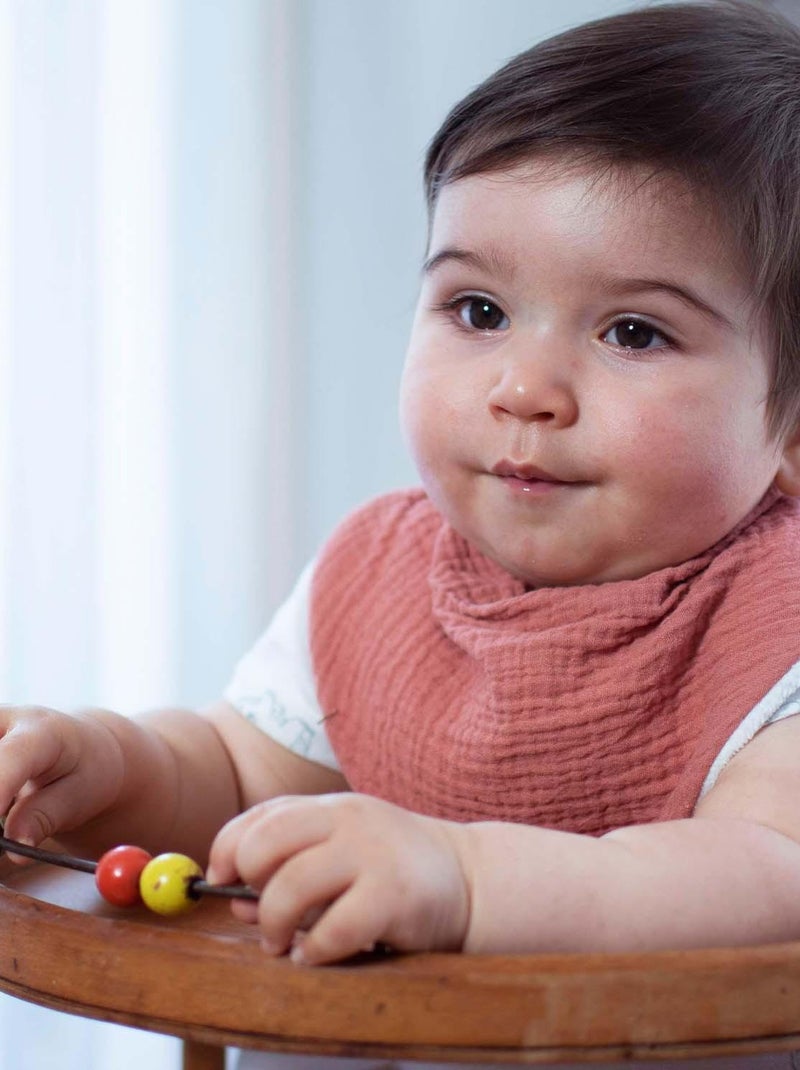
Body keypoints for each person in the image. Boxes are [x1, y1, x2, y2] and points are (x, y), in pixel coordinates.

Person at [3, 0, 800, 985]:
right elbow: (243, 778)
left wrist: (466, 876)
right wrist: (107, 769)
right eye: (478, 308)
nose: (523, 389)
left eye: (632, 332)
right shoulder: (374, 577)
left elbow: (768, 872)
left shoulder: (780, 624)